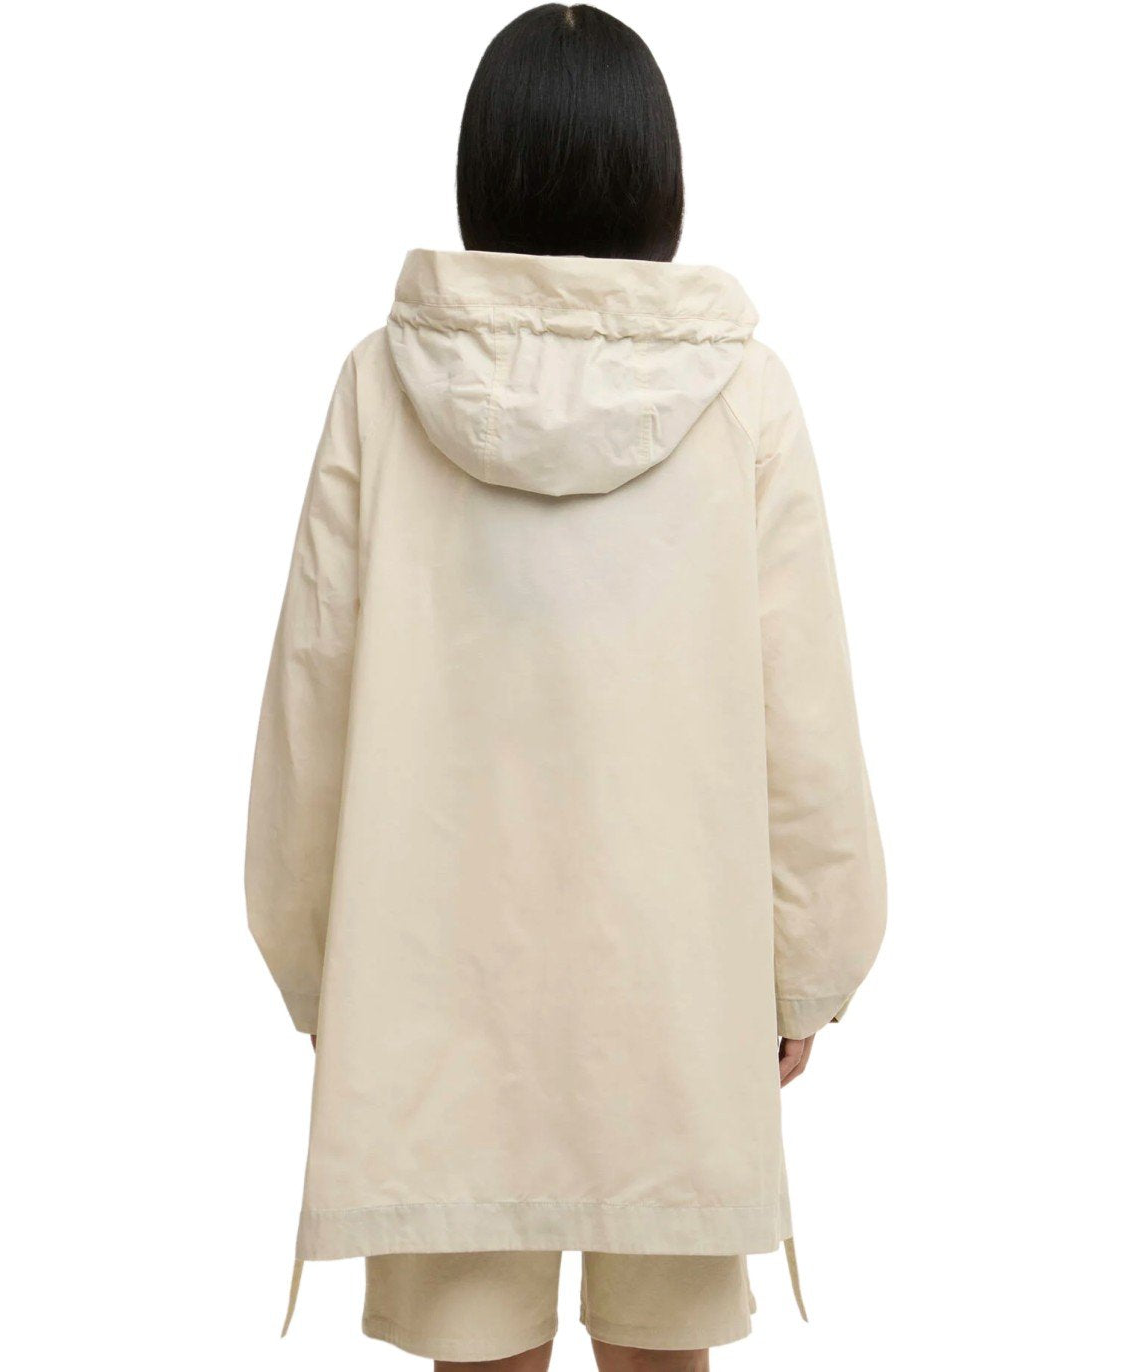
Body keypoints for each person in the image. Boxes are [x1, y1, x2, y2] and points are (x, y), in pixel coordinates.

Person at [246, 5, 885, 1369]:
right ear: (659, 178)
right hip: (679, 976)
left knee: (475, 1344)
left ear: (483, 172)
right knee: (664, 1349)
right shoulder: (743, 395)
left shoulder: (380, 386)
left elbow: (313, 703)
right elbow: (803, 714)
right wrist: (809, 965)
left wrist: (317, 965)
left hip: (434, 974)